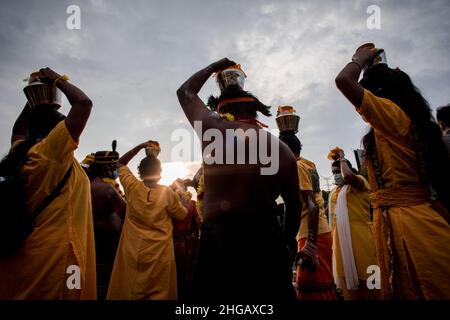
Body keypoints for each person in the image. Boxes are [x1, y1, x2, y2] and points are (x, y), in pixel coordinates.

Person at [177, 58, 301, 301]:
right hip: (268, 243)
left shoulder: (214, 129)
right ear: (255, 112)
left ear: (224, 111)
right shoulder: (283, 151)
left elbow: (185, 92)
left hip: (220, 243)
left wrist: (214, 66)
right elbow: (294, 206)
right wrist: (285, 246)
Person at [335, 43, 450, 299]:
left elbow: (343, 81)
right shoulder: (404, 121)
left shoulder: (393, 116)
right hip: (409, 220)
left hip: (412, 228)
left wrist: (358, 59)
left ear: (381, 95)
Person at [0, 67, 96, 299]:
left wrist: (37, 98)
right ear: (56, 131)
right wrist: (56, 79)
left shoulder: (21, 152)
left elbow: (19, 129)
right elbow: (83, 104)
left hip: (22, 255)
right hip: (53, 259)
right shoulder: (52, 153)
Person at [106, 141, 187, 300]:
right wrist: (182, 195)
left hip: (133, 252)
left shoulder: (132, 187)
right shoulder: (167, 193)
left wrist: (140, 146)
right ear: (159, 172)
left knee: (132, 290)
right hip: (160, 255)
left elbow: (120, 162)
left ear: (140, 171)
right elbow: (182, 215)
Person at [279, 133, 335, 300]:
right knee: (320, 284)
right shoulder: (308, 164)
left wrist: (311, 243)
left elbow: (312, 205)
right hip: (317, 231)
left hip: (313, 233)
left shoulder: (297, 167)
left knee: (313, 288)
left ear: (286, 150)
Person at [328, 148, 379, 300]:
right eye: (334, 172)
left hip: (363, 245)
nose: (336, 175)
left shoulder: (359, 183)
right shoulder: (334, 193)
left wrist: (342, 158)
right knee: (350, 294)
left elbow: (348, 177)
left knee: (373, 288)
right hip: (341, 250)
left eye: (338, 171)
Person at [88, 145, 126, 300]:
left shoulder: (85, 185)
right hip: (108, 244)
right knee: (107, 287)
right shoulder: (106, 189)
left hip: (91, 242)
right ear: (105, 168)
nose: (114, 169)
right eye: (112, 166)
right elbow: (126, 212)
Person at [171, 178, 201, 301]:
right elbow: (198, 224)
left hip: (173, 244)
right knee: (189, 273)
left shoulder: (170, 204)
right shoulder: (192, 204)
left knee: (176, 274)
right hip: (189, 243)